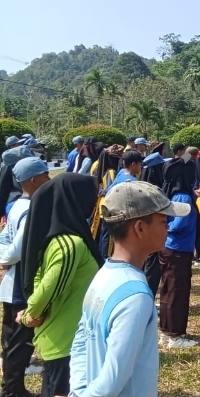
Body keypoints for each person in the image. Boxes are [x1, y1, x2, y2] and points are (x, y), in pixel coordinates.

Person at [69, 181, 190, 397]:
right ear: (140, 228)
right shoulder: (136, 296)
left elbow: (80, 343)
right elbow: (113, 379)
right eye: (164, 220)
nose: (169, 227)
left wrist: (78, 392)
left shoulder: (103, 275)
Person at [18, 173, 103, 397]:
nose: (95, 202)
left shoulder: (62, 239)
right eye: (91, 196)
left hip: (66, 338)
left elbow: (37, 277)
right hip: (65, 341)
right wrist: (30, 315)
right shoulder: (70, 244)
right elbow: (46, 288)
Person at [0, 157, 49, 397]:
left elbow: (4, 239)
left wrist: (3, 256)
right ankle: (14, 391)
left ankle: (10, 387)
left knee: (10, 339)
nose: (48, 180)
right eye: (46, 175)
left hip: (11, 283)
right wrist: (5, 258)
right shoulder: (31, 209)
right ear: (34, 179)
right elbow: (16, 250)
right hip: (21, 283)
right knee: (20, 341)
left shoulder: (15, 205)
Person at [159, 155, 199, 349]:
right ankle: (175, 335)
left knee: (167, 291)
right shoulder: (183, 197)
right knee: (177, 292)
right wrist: (167, 228)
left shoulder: (172, 194)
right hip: (178, 250)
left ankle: (166, 330)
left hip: (170, 248)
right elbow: (179, 224)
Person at [140, 151, 167, 296]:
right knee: (152, 268)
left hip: (142, 234)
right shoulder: (156, 190)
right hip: (152, 234)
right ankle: (148, 296)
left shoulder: (142, 187)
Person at [91, 146, 123, 260]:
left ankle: (100, 253)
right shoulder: (111, 172)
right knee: (107, 235)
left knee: (102, 232)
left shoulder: (98, 166)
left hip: (101, 203)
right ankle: (105, 256)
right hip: (108, 204)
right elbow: (111, 189)